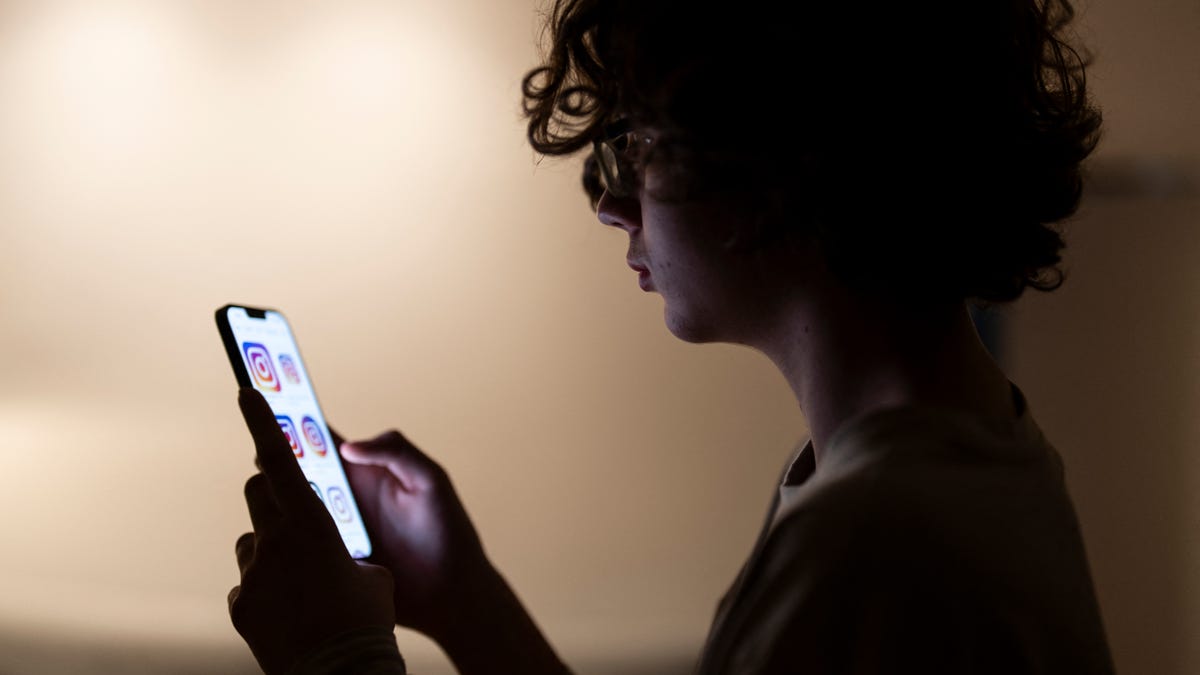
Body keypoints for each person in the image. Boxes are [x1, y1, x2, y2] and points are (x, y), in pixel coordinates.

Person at [226, 0, 1115, 672]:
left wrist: (337, 653)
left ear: (781, 156)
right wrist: (463, 596)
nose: (613, 206)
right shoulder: (966, 455)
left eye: (642, 145)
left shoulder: (879, 545)